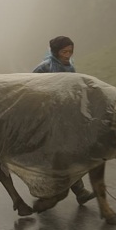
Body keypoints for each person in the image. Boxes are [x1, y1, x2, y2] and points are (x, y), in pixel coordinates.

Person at [30, 35, 95, 204]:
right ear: (55, 51)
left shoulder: (70, 66)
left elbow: (73, 88)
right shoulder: (44, 67)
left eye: (70, 51)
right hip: (47, 118)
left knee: (67, 156)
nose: (67, 54)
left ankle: (79, 192)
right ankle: (60, 191)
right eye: (64, 51)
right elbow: (30, 87)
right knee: (54, 157)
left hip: (66, 116)